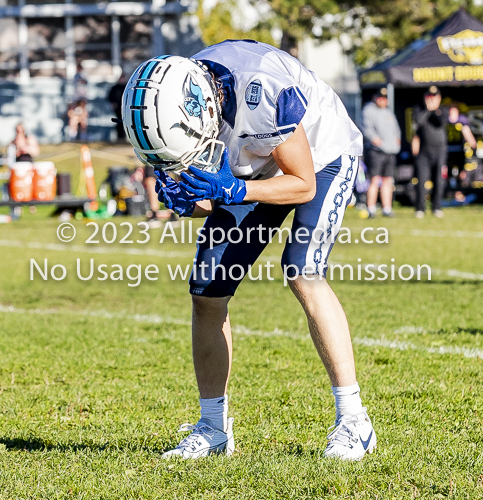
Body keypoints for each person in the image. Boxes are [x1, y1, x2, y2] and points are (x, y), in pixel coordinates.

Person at [123, 42, 374, 461]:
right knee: (207, 291)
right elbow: (210, 198)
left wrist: (234, 189)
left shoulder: (261, 91)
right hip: (252, 167)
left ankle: (354, 420)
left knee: (303, 271)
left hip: (321, 158)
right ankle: (213, 427)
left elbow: (302, 183)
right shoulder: (174, 105)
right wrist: (187, 201)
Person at [361, 87, 400, 218]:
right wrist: (376, 141)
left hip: (390, 151)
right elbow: (367, 130)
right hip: (376, 152)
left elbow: (396, 130)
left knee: (387, 180)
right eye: (380, 97)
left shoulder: (388, 112)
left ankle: (387, 209)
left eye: (385, 98)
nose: (382, 100)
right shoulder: (368, 110)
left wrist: (396, 141)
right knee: (374, 180)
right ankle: (371, 208)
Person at [411, 86, 447, 218]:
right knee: (421, 180)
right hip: (424, 150)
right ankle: (420, 208)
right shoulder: (419, 110)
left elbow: (440, 122)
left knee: (439, 180)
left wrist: (434, 110)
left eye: (434, 97)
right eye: (429, 97)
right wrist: (428, 109)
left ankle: (436, 207)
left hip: (440, 150)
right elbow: (418, 121)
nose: (431, 100)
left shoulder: (442, 110)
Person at [108, 75, 127, 142]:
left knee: (124, 122)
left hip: (124, 107)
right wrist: (113, 103)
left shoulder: (125, 87)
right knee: (119, 121)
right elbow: (110, 96)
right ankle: (119, 137)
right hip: (118, 107)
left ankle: (123, 136)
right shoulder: (115, 88)